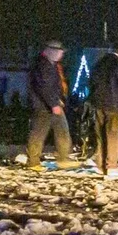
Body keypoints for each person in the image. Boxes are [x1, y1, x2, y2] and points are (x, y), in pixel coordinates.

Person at [26, 40, 79, 170]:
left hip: (53, 104)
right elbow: (44, 86)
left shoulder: (51, 64)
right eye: (60, 52)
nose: (62, 55)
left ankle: (63, 158)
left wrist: (58, 100)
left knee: (62, 130)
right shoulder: (42, 65)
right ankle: (33, 162)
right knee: (38, 133)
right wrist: (53, 103)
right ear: (52, 51)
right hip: (44, 106)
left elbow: (54, 86)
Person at [88, 47, 118, 175]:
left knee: (100, 134)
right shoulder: (117, 65)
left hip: (98, 104)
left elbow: (91, 82)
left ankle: (100, 166)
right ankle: (111, 166)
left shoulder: (98, 64)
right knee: (112, 135)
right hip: (113, 105)